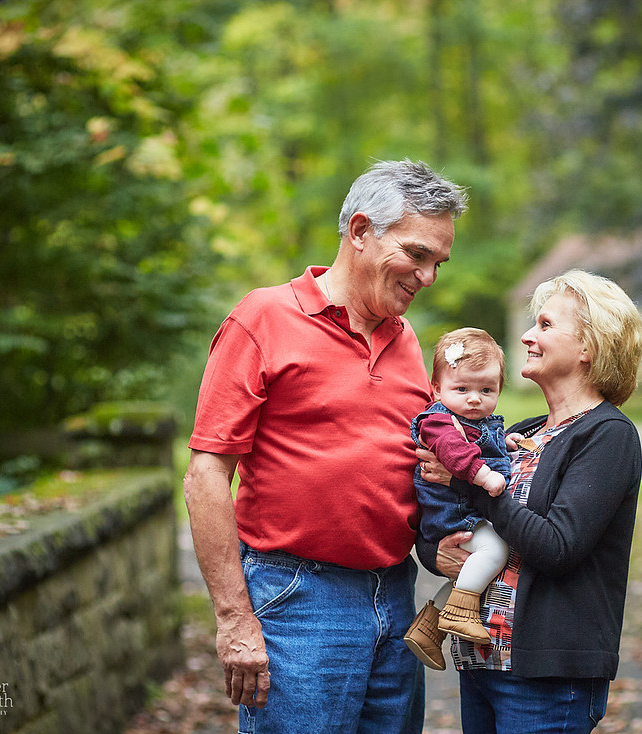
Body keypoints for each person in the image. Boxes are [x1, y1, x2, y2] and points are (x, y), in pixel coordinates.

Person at [183, 159, 467, 734]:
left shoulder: (408, 341)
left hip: (395, 596)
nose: (428, 276)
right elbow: (205, 477)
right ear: (360, 231)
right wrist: (235, 619)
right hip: (297, 597)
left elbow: (407, 468)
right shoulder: (263, 317)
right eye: (416, 254)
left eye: (438, 262)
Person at [416, 269, 642, 734]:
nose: (526, 336)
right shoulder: (518, 432)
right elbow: (447, 520)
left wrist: (467, 485)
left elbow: (557, 547)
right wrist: (434, 554)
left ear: (588, 347)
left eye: (544, 325)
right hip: (480, 662)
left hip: (546, 675)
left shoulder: (607, 436)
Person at [404, 328, 515, 671]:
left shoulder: (474, 421)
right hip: (452, 512)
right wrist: (485, 476)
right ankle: (461, 612)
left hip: (460, 511)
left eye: (486, 390)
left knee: (472, 570)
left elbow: (484, 444)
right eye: (462, 389)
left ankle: (428, 628)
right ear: (436, 389)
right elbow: (455, 456)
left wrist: (504, 443)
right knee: (496, 551)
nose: (474, 399)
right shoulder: (438, 421)